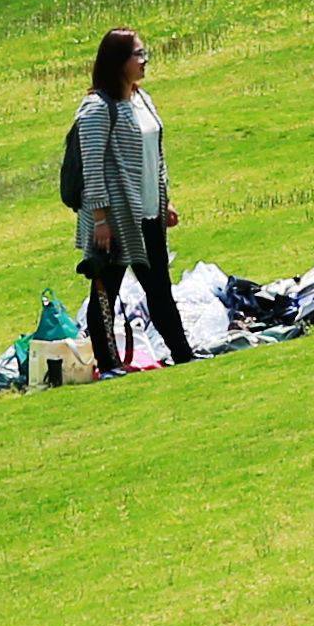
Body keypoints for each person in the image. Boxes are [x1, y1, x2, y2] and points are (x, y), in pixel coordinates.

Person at [68, 28, 194, 370]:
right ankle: (109, 366)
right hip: (116, 219)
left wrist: (164, 199)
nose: (144, 61)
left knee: (160, 290)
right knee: (106, 293)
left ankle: (184, 356)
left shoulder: (143, 99)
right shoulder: (97, 109)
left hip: (149, 212)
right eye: (138, 55)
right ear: (118, 62)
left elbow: (157, 154)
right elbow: (93, 168)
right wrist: (100, 220)